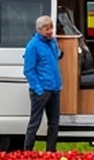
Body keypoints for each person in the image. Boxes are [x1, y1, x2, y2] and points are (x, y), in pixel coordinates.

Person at [21, 15, 63, 151]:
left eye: (51, 27)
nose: (50, 31)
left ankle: (51, 151)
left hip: (54, 88)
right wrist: (38, 89)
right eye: (47, 28)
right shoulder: (32, 46)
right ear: (39, 29)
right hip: (41, 90)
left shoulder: (52, 42)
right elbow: (28, 70)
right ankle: (27, 151)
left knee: (54, 123)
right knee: (35, 122)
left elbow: (56, 56)